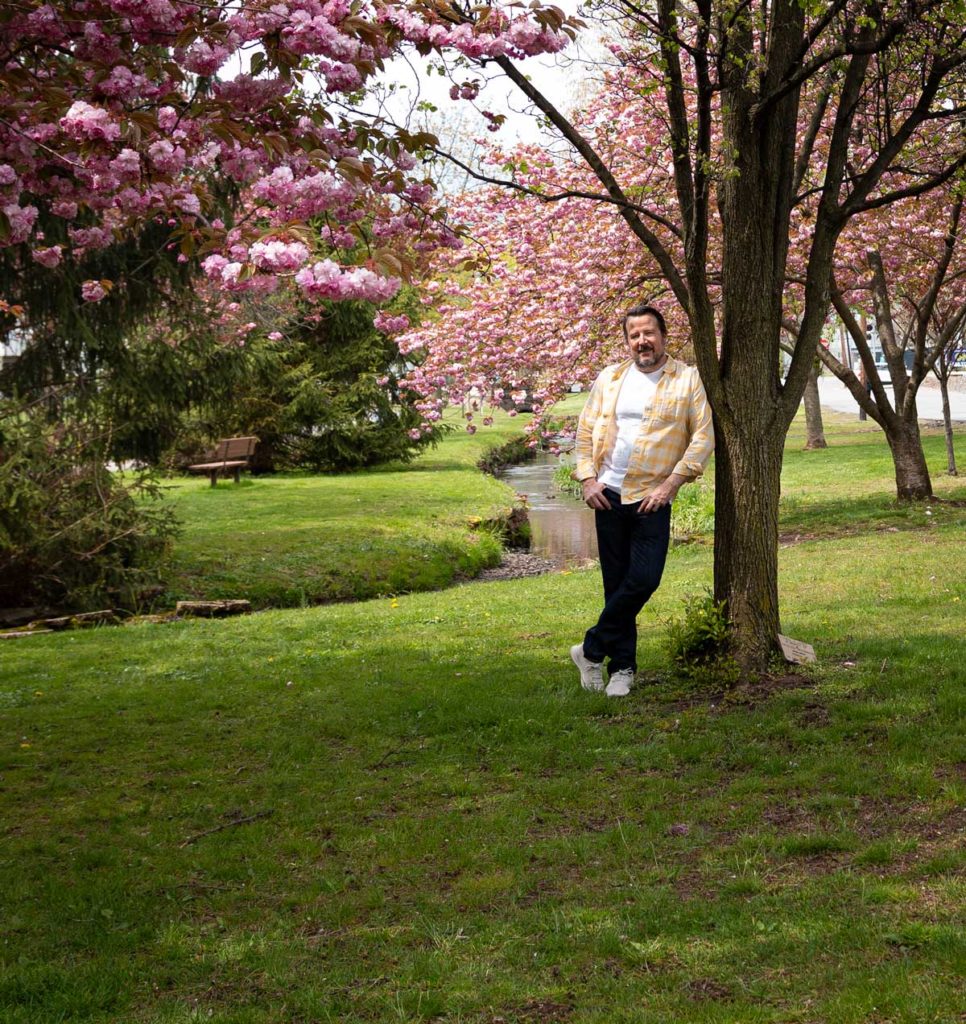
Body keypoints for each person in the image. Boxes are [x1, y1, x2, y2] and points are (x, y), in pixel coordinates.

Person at [570, 303, 714, 696]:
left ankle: (590, 648)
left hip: (653, 497)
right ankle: (622, 669)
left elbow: (702, 437)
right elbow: (584, 432)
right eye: (634, 335)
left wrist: (671, 485)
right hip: (609, 495)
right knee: (616, 585)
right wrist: (587, 480)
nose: (642, 341)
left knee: (645, 579)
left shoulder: (687, 380)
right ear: (627, 341)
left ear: (664, 336)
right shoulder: (611, 378)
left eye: (648, 332)